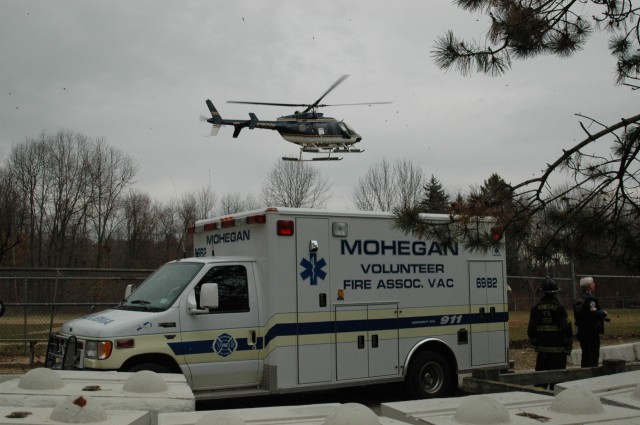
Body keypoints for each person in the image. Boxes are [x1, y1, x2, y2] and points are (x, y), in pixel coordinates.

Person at [527, 277, 573, 377]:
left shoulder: (536, 308)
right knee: (557, 380)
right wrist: (568, 344)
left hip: (542, 351)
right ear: (555, 292)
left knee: (540, 380)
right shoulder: (560, 308)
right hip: (558, 351)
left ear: (542, 292)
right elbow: (567, 327)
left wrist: (535, 342)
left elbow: (531, 329)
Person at [573, 276, 608, 367]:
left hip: (582, 331)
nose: (594, 285)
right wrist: (602, 313)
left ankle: (584, 374)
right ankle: (591, 376)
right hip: (591, 332)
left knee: (585, 355)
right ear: (589, 286)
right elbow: (593, 313)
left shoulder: (578, 299)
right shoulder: (590, 299)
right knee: (593, 356)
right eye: (593, 283)